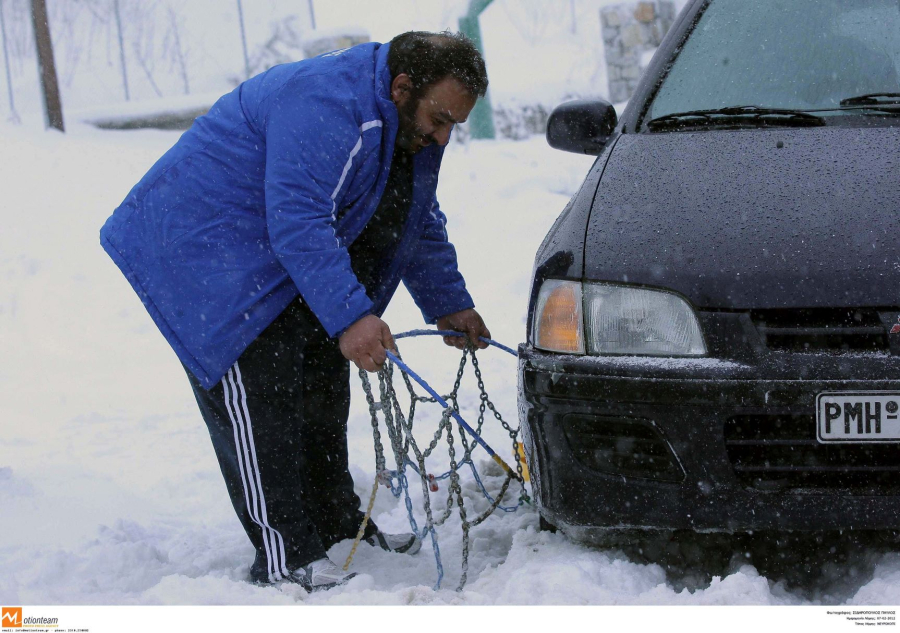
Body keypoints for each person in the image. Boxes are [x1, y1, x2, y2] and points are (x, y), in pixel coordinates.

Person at [99, 31, 491, 591]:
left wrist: (449, 301)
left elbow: (410, 212)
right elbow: (300, 218)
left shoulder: (406, 125)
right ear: (403, 87)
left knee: (320, 382)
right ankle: (285, 554)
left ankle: (335, 528)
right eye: (440, 118)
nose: (444, 135)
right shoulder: (327, 102)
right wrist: (352, 316)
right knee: (264, 398)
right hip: (203, 251)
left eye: (456, 123)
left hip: (270, 250)